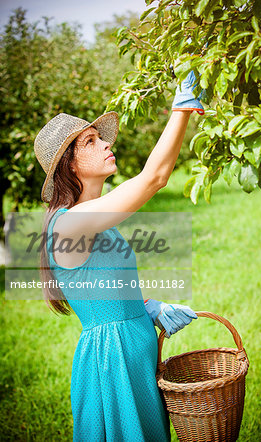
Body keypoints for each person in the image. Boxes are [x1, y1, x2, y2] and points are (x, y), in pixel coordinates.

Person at [34, 70, 204, 442]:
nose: (106, 145)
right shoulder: (68, 225)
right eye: (91, 142)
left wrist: (144, 307)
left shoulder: (98, 223)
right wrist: (182, 109)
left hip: (132, 349)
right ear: (71, 165)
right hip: (112, 360)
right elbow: (154, 178)